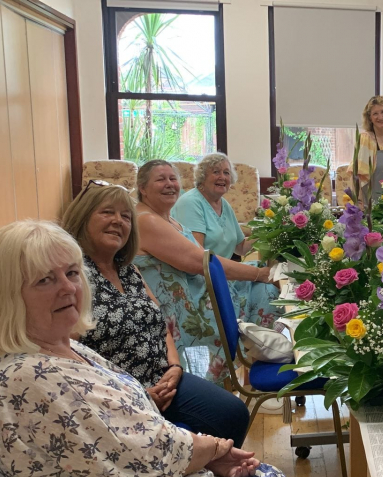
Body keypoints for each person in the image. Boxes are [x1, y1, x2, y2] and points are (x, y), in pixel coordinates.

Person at [0, 220, 329, 477]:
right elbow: (144, 459)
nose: (68, 287)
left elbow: (129, 431)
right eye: (44, 280)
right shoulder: (27, 377)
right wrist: (211, 450)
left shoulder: (68, 347)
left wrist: (175, 376)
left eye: (71, 273)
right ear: (8, 294)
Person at [62, 181, 250, 445]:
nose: (118, 221)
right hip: (115, 396)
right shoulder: (72, 276)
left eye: (126, 216)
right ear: (83, 218)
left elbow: (160, 323)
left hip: (163, 377)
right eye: (107, 212)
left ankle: (208, 475)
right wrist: (134, 395)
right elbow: (68, 354)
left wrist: (174, 367)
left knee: (233, 413)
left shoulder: (127, 269)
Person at [134, 160, 281, 384]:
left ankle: (255, 374)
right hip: (183, 305)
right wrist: (259, 274)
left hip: (199, 287)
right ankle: (249, 376)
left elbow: (238, 247)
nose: (170, 184)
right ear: (142, 188)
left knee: (269, 284)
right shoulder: (147, 220)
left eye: (173, 179)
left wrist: (273, 229)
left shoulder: (167, 217)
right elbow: (200, 261)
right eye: (160, 179)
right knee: (265, 286)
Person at [172, 152, 255, 260]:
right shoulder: (190, 203)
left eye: (226, 173)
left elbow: (241, 247)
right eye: (216, 172)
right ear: (202, 177)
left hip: (222, 271)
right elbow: (198, 257)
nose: (222, 177)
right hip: (203, 274)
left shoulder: (224, 204)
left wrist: (269, 233)